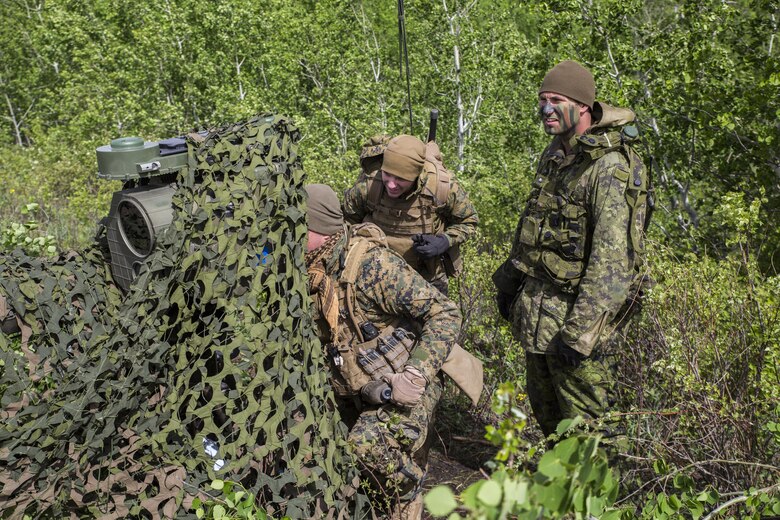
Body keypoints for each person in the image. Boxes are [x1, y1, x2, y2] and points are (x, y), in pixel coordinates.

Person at [492, 60, 650, 441]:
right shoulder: (556, 153)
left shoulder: (609, 168)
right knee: (551, 430)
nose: (546, 109)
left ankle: (596, 503)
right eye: (542, 100)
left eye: (555, 100)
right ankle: (558, 501)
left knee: (589, 437)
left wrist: (578, 336)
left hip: (577, 328)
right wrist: (510, 283)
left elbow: (612, 263)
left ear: (582, 106)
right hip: (539, 321)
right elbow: (535, 223)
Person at [304, 184, 462, 519]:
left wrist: (415, 374)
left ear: (317, 228)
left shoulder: (369, 265)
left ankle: (410, 494)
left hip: (403, 384)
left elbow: (445, 313)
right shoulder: (308, 269)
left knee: (367, 446)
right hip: (354, 387)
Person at [342, 134, 479, 295]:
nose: (392, 184)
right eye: (387, 174)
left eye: (400, 179)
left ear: (416, 175)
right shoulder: (370, 187)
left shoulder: (441, 188)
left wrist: (444, 241)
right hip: (374, 277)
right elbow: (345, 224)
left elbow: (469, 221)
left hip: (426, 279)